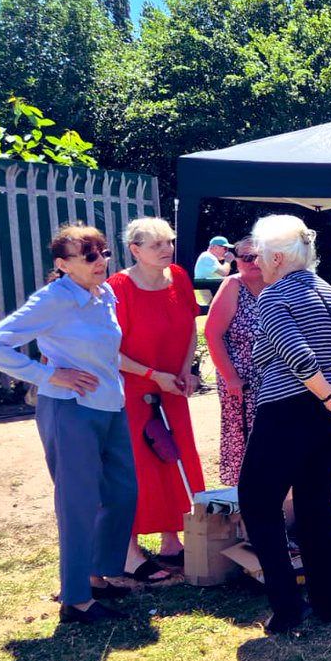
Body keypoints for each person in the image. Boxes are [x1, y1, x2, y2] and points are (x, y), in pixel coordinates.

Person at [0, 224, 136, 624]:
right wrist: (48, 375)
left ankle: (97, 575)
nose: (101, 261)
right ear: (63, 265)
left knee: (122, 493)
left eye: (103, 253)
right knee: (78, 503)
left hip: (110, 406)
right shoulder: (53, 299)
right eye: (90, 256)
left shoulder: (104, 293)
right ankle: (76, 599)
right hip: (70, 411)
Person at [240, 214, 331, 633]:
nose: (255, 261)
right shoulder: (327, 290)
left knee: (258, 503)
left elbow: (298, 356)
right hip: (329, 414)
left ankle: (288, 607)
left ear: (278, 258)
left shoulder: (273, 296)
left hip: (288, 411)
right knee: (315, 506)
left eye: (259, 254)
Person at [108, 217, 205, 581]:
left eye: (169, 242)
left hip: (172, 388)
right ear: (135, 250)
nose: (167, 249)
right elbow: (109, 350)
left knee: (175, 459)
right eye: (157, 244)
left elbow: (190, 327)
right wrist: (153, 376)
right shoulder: (118, 288)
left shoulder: (178, 277)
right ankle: (129, 551)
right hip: (133, 391)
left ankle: (171, 540)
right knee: (137, 468)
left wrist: (184, 370)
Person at [204, 235, 270, 486]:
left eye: (259, 256)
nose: (253, 262)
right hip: (241, 381)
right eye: (247, 257)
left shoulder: (277, 285)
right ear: (237, 260)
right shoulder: (233, 285)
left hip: (275, 380)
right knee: (243, 439)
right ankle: (244, 494)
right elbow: (212, 334)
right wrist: (231, 377)